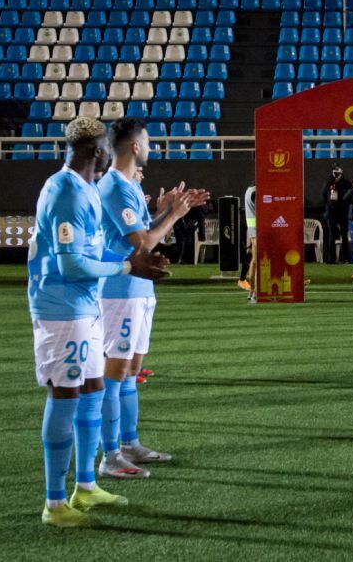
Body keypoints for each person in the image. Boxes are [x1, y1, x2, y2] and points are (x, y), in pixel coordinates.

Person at [29, 116, 169, 527]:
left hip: (86, 306)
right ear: (98, 153)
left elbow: (93, 256)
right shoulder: (65, 193)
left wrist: (134, 263)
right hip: (61, 310)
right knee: (64, 396)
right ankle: (54, 504)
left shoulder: (86, 188)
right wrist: (128, 268)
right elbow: (71, 264)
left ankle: (86, 485)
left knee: (91, 388)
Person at [96, 118, 209, 479]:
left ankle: (128, 444)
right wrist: (174, 214)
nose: (151, 146)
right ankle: (109, 454)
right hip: (119, 292)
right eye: (147, 141)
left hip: (139, 289)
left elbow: (146, 235)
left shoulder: (126, 186)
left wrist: (165, 211)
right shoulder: (114, 186)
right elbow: (142, 243)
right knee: (114, 373)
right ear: (134, 146)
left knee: (129, 372)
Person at [322, 165, 351, 264]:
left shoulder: (347, 184)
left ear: (342, 173)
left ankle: (346, 257)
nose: (336, 175)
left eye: (338, 173)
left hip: (343, 212)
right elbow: (324, 195)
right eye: (335, 173)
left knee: (344, 235)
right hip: (331, 212)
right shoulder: (328, 183)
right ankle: (331, 258)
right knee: (331, 235)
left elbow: (348, 197)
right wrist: (330, 204)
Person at [239, 182, 256, 299]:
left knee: (253, 258)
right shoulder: (256, 192)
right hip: (257, 229)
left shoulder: (250, 189)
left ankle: (251, 290)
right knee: (256, 260)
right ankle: (253, 290)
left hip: (254, 229)